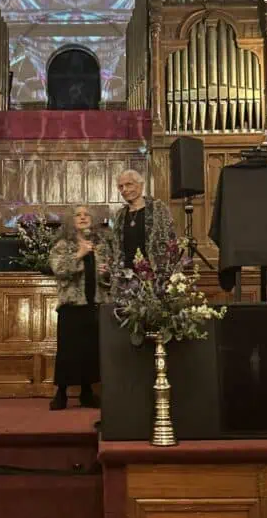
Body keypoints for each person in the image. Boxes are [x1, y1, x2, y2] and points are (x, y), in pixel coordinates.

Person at [48, 205, 114, 411]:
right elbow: (58, 269)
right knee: (69, 352)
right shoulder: (62, 245)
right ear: (71, 220)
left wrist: (107, 272)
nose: (83, 218)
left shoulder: (101, 245)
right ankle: (61, 393)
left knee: (90, 351)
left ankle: (87, 393)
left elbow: (110, 277)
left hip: (95, 304)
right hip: (72, 305)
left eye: (87, 215)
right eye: (78, 215)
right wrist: (79, 254)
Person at [114, 170, 176, 268]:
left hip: (154, 272)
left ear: (141, 185)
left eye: (129, 184)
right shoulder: (120, 215)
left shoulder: (158, 209)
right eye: (121, 187)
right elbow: (117, 247)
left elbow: (171, 241)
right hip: (126, 273)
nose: (124, 189)